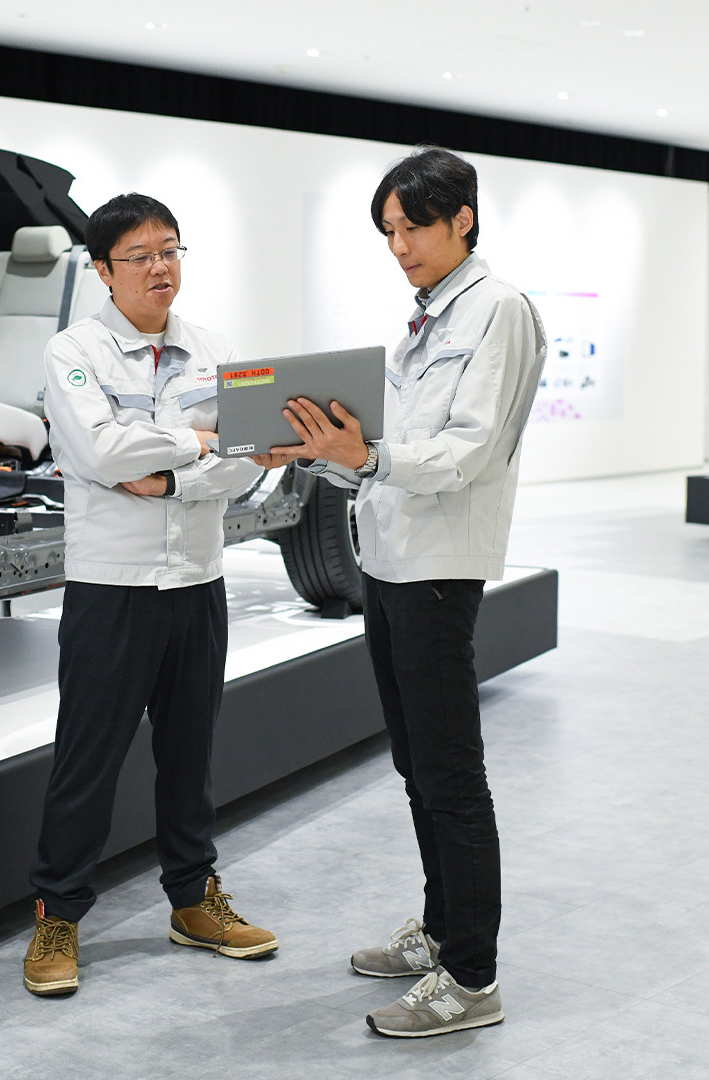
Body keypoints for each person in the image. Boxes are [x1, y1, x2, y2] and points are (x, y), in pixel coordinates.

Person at [255, 148, 546, 1036]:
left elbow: (468, 453)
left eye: (412, 227)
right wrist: (326, 452)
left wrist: (368, 457)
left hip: (438, 571)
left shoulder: (498, 310)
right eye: (388, 231)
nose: (399, 245)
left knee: (452, 772)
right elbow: (383, 453)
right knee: (418, 763)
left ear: (462, 217)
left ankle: (474, 977)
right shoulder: (425, 315)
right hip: (388, 562)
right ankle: (443, 928)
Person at [23, 193, 276, 996]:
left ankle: (194, 900)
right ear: (102, 270)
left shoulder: (215, 348)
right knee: (86, 761)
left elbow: (249, 458)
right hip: (114, 586)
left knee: (190, 753)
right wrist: (202, 444)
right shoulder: (74, 350)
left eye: (171, 249)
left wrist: (167, 472)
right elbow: (97, 448)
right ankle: (57, 916)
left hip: (197, 581)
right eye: (142, 255)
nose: (162, 267)